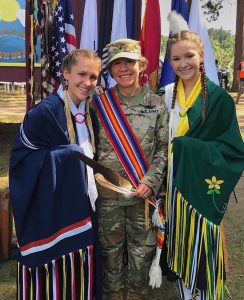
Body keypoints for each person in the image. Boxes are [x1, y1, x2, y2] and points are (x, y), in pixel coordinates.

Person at [9, 49, 102, 299]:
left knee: (82, 263)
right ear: (66, 74)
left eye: (94, 77)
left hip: (83, 200)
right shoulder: (46, 112)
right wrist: (69, 156)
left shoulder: (90, 110)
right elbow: (21, 160)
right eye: (82, 74)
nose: (87, 82)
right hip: (54, 202)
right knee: (58, 267)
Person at [163, 30, 244, 300]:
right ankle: (186, 293)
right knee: (179, 243)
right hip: (172, 186)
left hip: (200, 185)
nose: (183, 63)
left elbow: (232, 150)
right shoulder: (165, 95)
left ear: (201, 56)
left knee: (203, 246)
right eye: (176, 58)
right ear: (170, 62)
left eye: (189, 55)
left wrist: (188, 147)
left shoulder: (218, 98)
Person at [93, 39, 169, 299]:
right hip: (109, 197)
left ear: (141, 65)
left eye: (129, 62)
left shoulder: (157, 103)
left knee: (140, 256)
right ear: (110, 70)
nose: (123, 69)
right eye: (117, 64)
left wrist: (151, 181)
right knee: (110, 256)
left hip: (142, 196)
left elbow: (163, 148)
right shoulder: (99, 105)